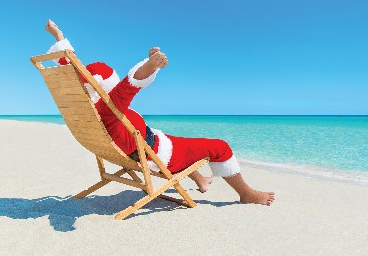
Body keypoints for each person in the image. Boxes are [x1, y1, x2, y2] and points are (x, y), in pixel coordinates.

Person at [45, 20, 275, 205]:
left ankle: (202, 180)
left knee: (185, 144)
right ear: (106, 84)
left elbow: (76, 70)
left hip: (149, 144)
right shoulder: (108, 109)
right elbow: (128, 87)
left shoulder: (86, 110)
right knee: (219, 147)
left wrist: (59, 38)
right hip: (156, 154)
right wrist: (150, 66)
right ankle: (247, 194)